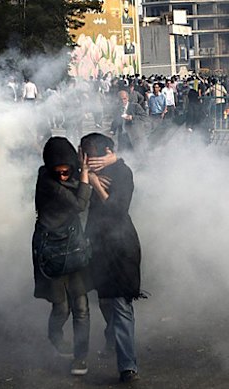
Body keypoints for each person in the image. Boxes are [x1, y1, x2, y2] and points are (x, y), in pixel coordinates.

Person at [80, 133, 143, 383]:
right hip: (96, 245)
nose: (86, 159)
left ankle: (128, 366)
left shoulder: (122, 173)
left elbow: (117, 210)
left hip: (121, 248)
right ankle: (111, 335)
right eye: (83, 154)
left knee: (120, 305)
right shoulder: (81, 169)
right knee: (104, 301)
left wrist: (95, 182)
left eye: (90, 154)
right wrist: (86, 172)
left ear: (106, 152)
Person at [32, 137, 92, 376]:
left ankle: (81, 357)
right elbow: (80, 204)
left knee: (81, 306)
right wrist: (85, 173)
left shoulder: (67, 173)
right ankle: (55, 337)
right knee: (61, 307)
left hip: (73, 246)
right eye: (59, 172)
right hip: (51, 251)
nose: (64, 176)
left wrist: (84, 167)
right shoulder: (47, 181)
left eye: (67, 171)